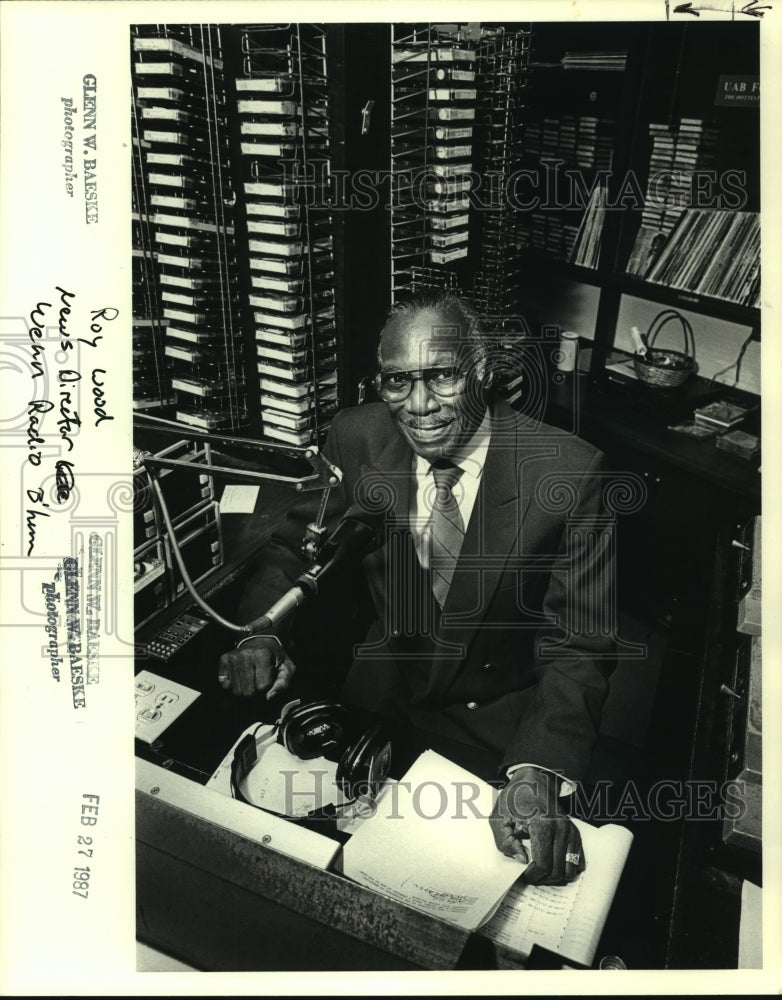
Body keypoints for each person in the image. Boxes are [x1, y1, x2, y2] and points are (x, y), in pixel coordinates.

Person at [219, 291, 616, 885]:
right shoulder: (356, 437)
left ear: (482, 372)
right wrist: (265, 631)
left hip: (499, 730)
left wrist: (536, 771)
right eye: (397, 382)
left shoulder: (570, 472)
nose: (419, 406)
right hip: (375, 700)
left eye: (442, 377)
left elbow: (580, 644)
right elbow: (292, 549)